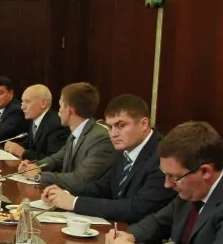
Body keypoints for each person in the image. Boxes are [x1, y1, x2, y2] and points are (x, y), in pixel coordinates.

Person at [41, 94, 174, 225]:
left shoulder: (164, 155)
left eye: (121, 125)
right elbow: (104, 187)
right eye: (110, 127)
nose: (113, 134)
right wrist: (64, 194)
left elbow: (138, 209)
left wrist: (75, 203)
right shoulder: (125, 148)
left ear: (144, 124)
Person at [19, 82, 115, 191]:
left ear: (69, 110)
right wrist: (33, 166)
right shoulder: (75, 134)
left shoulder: (100, 139)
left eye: (60, 106)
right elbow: (55, 160)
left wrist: (39, 176)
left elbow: (80, 179)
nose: (59, 111)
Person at [3, 85, 68, 162]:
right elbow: (29, 145)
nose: (22, 107)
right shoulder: (36, 119)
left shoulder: (56, 124)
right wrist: (13, 146)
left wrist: (23, 153)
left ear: (43, 103)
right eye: (22, 102)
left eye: (27, 101)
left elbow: (53, 160)